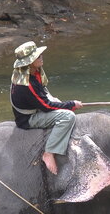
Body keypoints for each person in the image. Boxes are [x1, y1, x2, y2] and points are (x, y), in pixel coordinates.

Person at [10, 41, 78, 175]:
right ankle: (49, 152)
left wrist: (60, 103)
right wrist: (71, 104)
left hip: (36, 107)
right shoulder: (26, 84)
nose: (41, 57)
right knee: (68, 116)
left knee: (59, 104)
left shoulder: (33, 72)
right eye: (37, 56)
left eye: (40, 55)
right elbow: (46, 106)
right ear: (29, 62)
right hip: (28, 118)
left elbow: (43, 94)